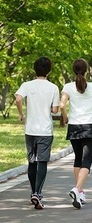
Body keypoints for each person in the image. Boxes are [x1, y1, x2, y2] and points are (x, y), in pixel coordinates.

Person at [15, 56, 60, 209]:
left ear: (35, 69)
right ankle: (37, 193)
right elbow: (54, 110)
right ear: (49, 70)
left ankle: (33, 192)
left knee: (32, 161)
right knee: (42, 162)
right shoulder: (53, 88)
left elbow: (18, 99)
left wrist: (21, 113)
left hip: (30, 129)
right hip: (45, 130)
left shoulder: (27, 85)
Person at [60, 58, 92, 209]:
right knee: (87, 161)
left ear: (74, 70)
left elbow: (62, 105)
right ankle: (77, 189)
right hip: (90, 126)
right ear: (87, 71)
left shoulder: (67, 87)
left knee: (78, 159)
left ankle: (80, 193)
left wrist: (66, 117)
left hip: (74, 126)